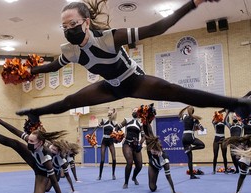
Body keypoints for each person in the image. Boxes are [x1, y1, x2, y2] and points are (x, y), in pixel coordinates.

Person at [16, 0, 251, 123]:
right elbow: (54, 66)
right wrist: (30, 71)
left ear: (86, 22)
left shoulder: (109, 38)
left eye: (73, 24)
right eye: (64, 27)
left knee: (177, 91)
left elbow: (157, 28)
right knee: (70, 100)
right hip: (110, 87)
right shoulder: (71, 51)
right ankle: (35, 112)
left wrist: (193, 3)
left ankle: (237, 103)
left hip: (134, 80)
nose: (69, 30)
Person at [0, 113, 71, 193]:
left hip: (42, 173)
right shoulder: (32, 141)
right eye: (29, 140)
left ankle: (45, 186)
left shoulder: (46, 157)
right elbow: (14, 130)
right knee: (15, 143)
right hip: (34, 161)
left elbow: (54, 181)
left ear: (40, 143)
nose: (29, 143)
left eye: (32, 142)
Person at [116, 108, 145, 189]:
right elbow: (117, 127)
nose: (134, 111)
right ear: (132, 112)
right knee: (129, 161)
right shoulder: (127, 120)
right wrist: (119, 135)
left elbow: (143, 136)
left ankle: (134, 177)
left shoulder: (141, 123)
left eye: (136, 110)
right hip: (127, 144)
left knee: (139, 165)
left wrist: (140, 143)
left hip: (136, 145)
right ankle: (126, 182)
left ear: (139, 113)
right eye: (133, 110)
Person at [179, 106, 205, 179]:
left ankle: (191, 175)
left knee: (189, 158)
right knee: (202, 145)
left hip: (184, 137)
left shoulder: (184, 116)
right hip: (190, 136)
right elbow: (202, 129)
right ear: (193, 112)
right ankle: (191, 148)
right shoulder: (194, 118)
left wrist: (184, 108)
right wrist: (197, 127)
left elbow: (180, 114)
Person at [91, 108, 118, 180]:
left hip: (111, 141)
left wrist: (118, 138)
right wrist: (91, 134)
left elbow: (118, 132)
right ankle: (100, 175)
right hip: (104, 141)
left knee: (114, 158)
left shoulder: (115, 123)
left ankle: (113, 174)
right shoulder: (104, 120)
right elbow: (97, 127)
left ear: (113, 114)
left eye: (110, 113)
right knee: (102, 160)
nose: (109, 114)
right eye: (108, 113)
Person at [212, 109, 228, 174]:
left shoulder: (224, 122)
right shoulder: (215, 122)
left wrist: (225, 111)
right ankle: (213, 169)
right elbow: (215, 114)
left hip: (223, 139)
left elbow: (227, 118)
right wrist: (219, 111)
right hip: (216, 139)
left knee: (224, 155)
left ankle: (226, 169)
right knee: (215, 155)